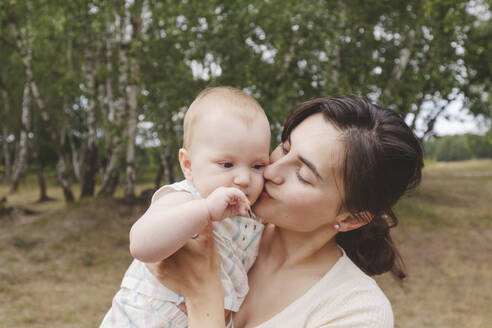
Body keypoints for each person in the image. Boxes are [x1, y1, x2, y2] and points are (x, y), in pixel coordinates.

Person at [150, 96, 424, 327]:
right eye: (285, 147)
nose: (269, 170)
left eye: (303, 175)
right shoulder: (225, 225)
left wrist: (202, 294)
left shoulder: (356, 312)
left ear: (351, 218)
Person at [100, 86, 271, 327]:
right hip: (145, 317)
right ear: (188, 165)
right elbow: (140, 245)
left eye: (257, 166)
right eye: (226, 164)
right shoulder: (185, 198)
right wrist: (205, 212)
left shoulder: (252, 216)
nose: (244, 178)